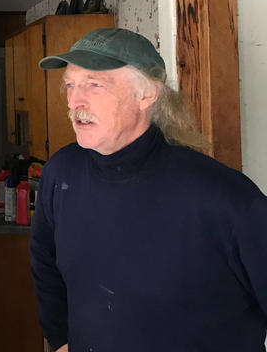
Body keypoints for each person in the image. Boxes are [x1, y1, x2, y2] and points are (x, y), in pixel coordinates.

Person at [29, 27, 267, 352]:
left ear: (146, 95)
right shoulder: (61, 171)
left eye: (94, 85)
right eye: (70, 85)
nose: (74, 101)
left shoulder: (224, 196)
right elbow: (45, 263)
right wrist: (61, 340)